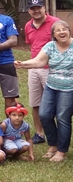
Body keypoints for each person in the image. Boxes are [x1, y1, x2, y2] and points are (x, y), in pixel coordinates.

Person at [15, 20, 73, 162]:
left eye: (64, 29)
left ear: (69, 31)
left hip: (69, 88)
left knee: (62, 117)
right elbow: (39, 61)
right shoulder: (50, 46)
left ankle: (61, 151)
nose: (62, 32)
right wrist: (23, 64)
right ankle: (52, 145)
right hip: (51, 86)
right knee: (44, 114)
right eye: (58, 30)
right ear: (53, 34)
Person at [23, 0, 58, 144]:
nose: (36, 11)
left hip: (51, 68)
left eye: (39, 7)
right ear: (29, 10)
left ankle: (57, 134)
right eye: (33, 8)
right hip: (33, 68)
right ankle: (39, 133)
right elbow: (31, 45)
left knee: (54, 102)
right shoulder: (28, 25)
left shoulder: (55, 23)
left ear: (45, 8)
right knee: (35, 103)